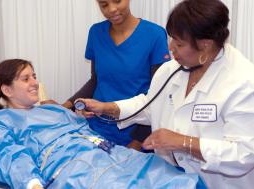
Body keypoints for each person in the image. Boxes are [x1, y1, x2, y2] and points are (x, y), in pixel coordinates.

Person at [78, 0, 254, 188]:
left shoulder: (243, 83)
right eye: (171, 39)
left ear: (205, 44)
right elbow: (150, 105)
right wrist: (107, 108)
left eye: (179, 43)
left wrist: (183, 143)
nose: (171, 48)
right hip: (172, 178)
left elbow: (245, 154)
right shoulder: (172, 70)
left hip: (216, 183)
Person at [0, 59, 203, 189]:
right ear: (6, 89)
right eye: (26, 79)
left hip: (113, 154)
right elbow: (6, 153)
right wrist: (31, 183)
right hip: (76, 169)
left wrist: (79, 118)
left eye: (34, 76)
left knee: (179, 180)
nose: (35, 83)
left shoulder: (52, 109)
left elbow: (80, 128)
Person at [43, 0, 171, 149]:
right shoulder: (96, 32)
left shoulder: (154, 34)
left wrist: (137, 142)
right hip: (95, 127)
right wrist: (63, 107)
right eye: (104, 5)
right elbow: (95, 80)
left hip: (134, 130)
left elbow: (157, 96)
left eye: (117, 1)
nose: (111, 9)